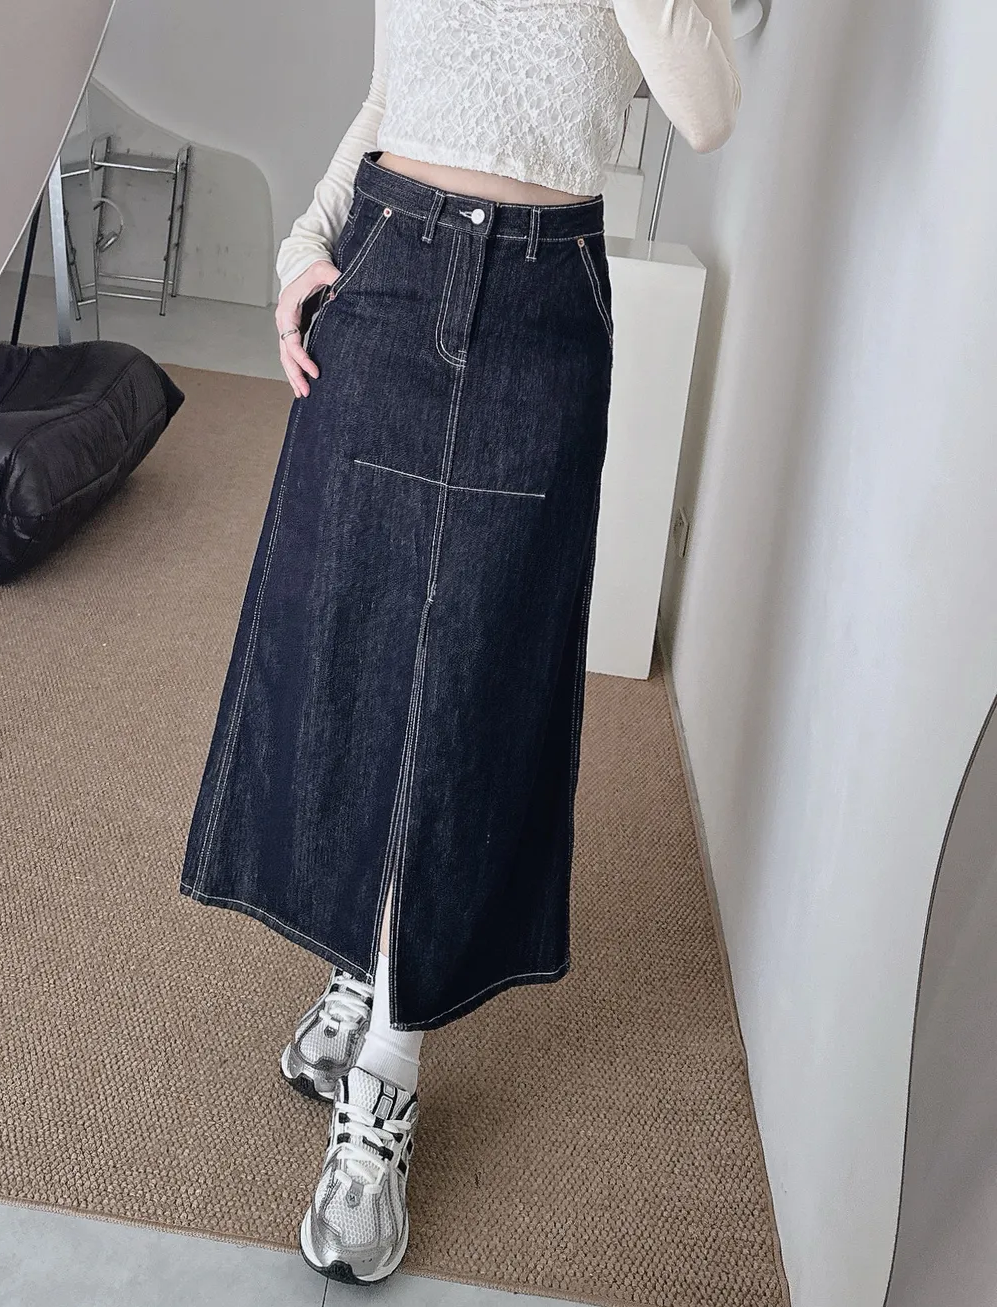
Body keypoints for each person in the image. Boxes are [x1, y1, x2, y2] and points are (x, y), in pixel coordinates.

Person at [180, 0, 740, 1285]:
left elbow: (707, 113)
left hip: (544, 301)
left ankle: (388, 1067)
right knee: (348, 634)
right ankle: (364, 950)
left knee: (479, 677)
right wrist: (306, 241)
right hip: (388, 266)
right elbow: (393, 99)